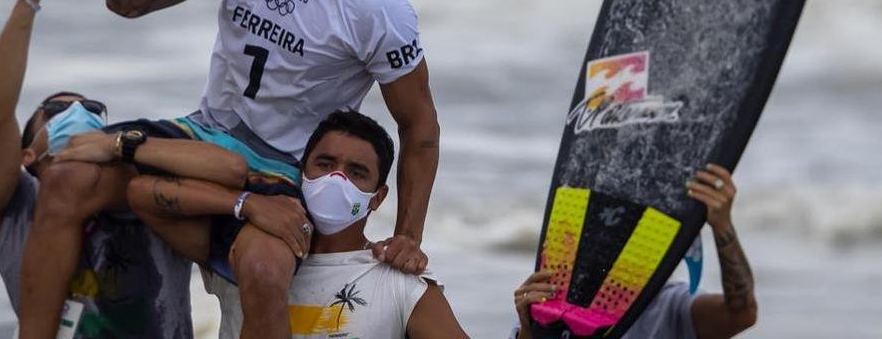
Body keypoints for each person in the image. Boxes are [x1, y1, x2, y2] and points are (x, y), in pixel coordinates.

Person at [20, 0, 440, 339]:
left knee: (263, 270)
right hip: (203, 136)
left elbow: (419, 126)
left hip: (283, 170)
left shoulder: (375, 5)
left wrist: (408, 235)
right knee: (65, 179)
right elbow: (125, 1)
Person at [0, 0, 246, 338]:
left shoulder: (149, 194)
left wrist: (130, 148)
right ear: (28, 156)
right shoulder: (16, 213)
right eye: (57, 110)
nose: (79, 117)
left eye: (91, 110)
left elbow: (228, 166)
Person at [126, 109, 469, 339]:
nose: (336, 179)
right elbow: (143, 194)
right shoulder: (246, 252)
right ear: (302, 173)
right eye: (325, 164)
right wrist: (246, 204)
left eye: (356, 173)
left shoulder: (399, 284)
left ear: (377, 198)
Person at [511, 165, 758, 339]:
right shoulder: (549, 307)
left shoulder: (667, 307)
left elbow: (741, 315)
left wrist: (723, 226)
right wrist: (528, 331)